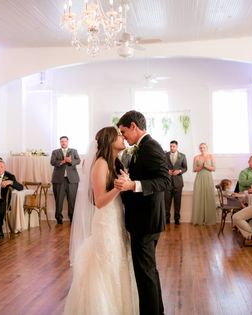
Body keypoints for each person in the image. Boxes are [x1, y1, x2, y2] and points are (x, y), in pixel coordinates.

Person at [64, 126, 139, 315]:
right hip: (105, 220)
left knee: (118, 262)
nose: (123, 138)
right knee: (106, 263)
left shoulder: (115, 162)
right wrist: (118, 188)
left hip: (116, 218)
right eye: (118, 136)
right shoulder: (101, 164)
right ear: (109, 141)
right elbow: (99, 201)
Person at [115, 110, 171, 315]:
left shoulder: (150, 146)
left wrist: (132, 185)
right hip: (143, 219)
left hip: (146, 221)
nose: (123, 137)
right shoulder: (142, 147)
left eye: (123, 132)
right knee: (148, 272)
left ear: (133, 126)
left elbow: (166, 181)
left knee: (145, 274)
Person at [50, 136, 81, 224]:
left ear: (68, 142)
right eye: (62, 141)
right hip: (59, 179)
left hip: (72, 180)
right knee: (59, 200)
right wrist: (63, 161)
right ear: (60, 142)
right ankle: (59, 219)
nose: (63, 143)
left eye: (65, 141)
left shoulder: (74, 151)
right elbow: (52, 162)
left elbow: (78, 160)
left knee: (72, 200)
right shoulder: (55, 152)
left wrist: (71, 161)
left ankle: (72, 219)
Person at [191, 142, 216, 225]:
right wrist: (202, 166)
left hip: (208, 178)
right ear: (199, 149)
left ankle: (209, 219)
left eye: (204, 147)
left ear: (206, 148)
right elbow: (194, 169)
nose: (202, 149)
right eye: (201, 147)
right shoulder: (196, 157)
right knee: (199, 197)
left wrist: (206, 166)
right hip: (199, 178)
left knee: (209, 197)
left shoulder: (211, 156)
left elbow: (214, 168)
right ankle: (199, 220)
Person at [165, 140, 187, 225]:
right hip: (168, 182)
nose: (171, 148)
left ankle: (177, 219)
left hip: (178, 183)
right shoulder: (165, 155)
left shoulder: (182, 156)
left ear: (177, 146)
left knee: (177, 202)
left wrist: (179, 171)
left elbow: (185, 167)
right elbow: (161, 166)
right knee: (166, 202)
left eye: (173, 146)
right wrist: (167, 171)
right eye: (170, 146)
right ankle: (167, 219)